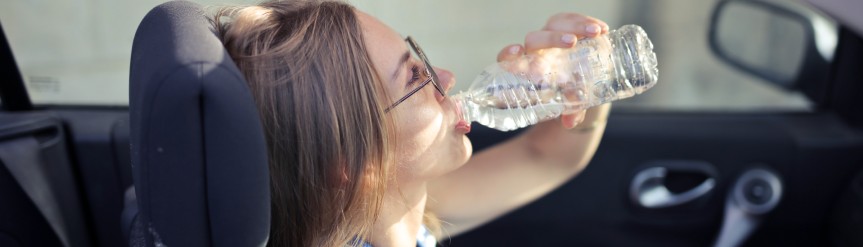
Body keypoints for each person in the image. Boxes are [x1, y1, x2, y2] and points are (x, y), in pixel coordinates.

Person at [212, 1, 612, 246]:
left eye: (419, 58)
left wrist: (584, 83)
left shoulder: (393, 215)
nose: (448, 78)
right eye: (415, 78)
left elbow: (546, 158)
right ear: (353, 163)